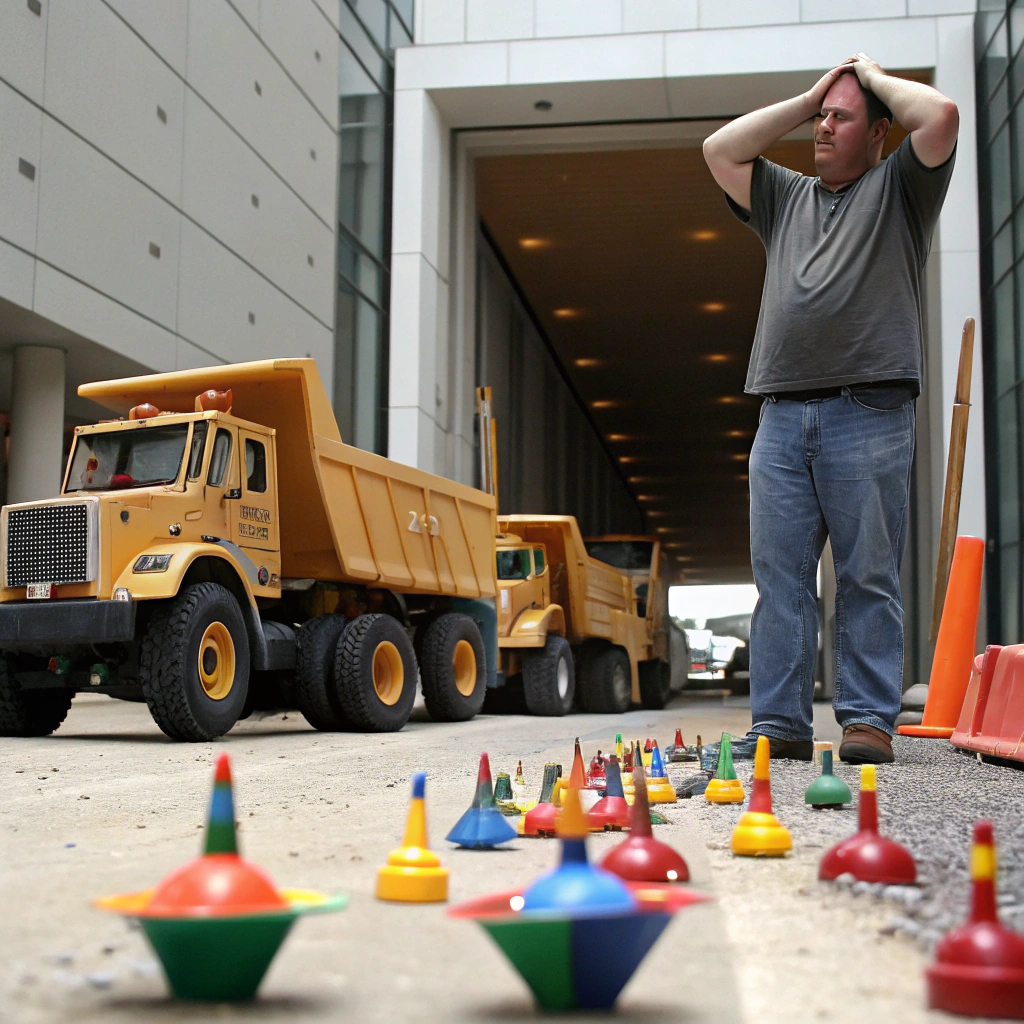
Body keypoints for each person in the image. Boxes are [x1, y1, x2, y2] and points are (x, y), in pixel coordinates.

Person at [702, 55, 959, 764]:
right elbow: (719, 149)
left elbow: (938, 117)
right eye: (822, 114)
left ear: (877, 134)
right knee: (778, 578)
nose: (823, 125)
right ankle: (779, 722)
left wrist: (871, 79)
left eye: (841, 117)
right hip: (781, 416)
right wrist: (813, 94)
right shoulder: (784, 196)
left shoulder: (902, 190)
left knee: (866, 573)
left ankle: (868, 718)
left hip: (869, 411)